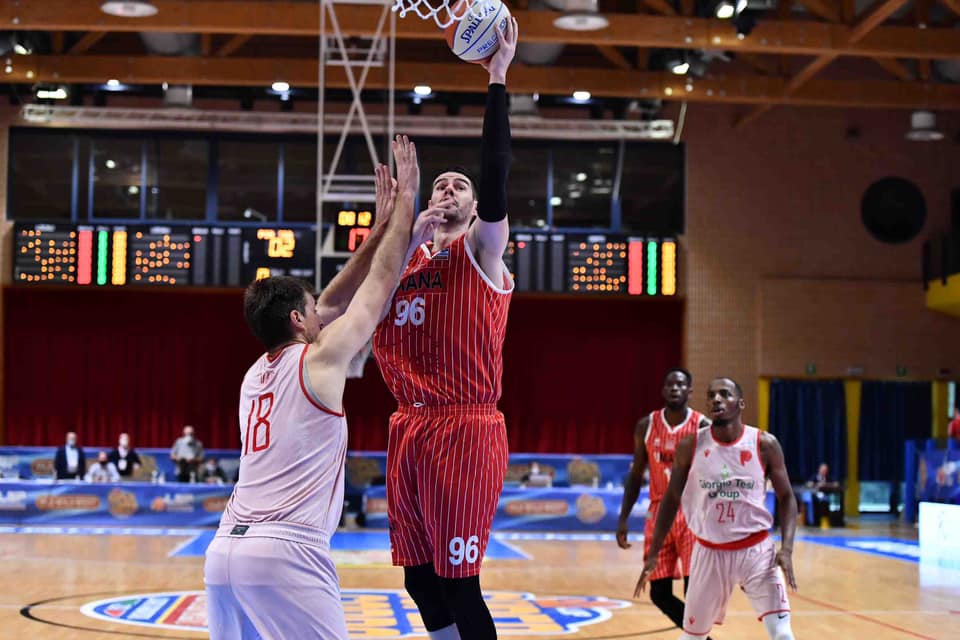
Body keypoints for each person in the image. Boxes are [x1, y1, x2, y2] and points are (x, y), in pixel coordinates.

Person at [203, 135, 420, 640]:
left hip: (224, 553)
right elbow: (375, 291)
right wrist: (406, 203)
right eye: (313, 309)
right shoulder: (318, 359)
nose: (325, 312)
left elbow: (333, 301)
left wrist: (378, 229)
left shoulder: (255, 373)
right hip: (287, 550)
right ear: (300, 320)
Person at [368, 19, 519, 640]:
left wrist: (497, 80)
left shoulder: (484, 251)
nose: (447, 189)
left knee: (460, 583)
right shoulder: (403, 263)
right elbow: (356, 305)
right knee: (419, 580)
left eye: (459, 185)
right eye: (438, 184)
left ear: (475, 207)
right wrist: (395, 230)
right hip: (408, 423)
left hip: (465, 424)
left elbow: (498, 170)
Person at [636, 377, 798, 640]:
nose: (716, 400)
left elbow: (788, 497)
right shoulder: (691, 445)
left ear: (741, 403)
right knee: (692, 637)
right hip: (709, 552)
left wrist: (787, 549)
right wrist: (653, 553)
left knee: (782, 634)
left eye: (725, 394)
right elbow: (671, 498)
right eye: (711, 395)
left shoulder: (764, 444)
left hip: (756, 551)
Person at [616, 368, 712, 638]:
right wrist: (623, 518)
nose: (675, 389)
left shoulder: (702, 426)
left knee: (695, 591)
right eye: (670, 385)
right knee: (658, 592)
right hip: (658, 512)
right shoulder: (646, 425)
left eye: (681, 385)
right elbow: (636, 476)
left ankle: (697, 636)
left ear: (690, 391)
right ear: (663, 390)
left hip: (693, 515)